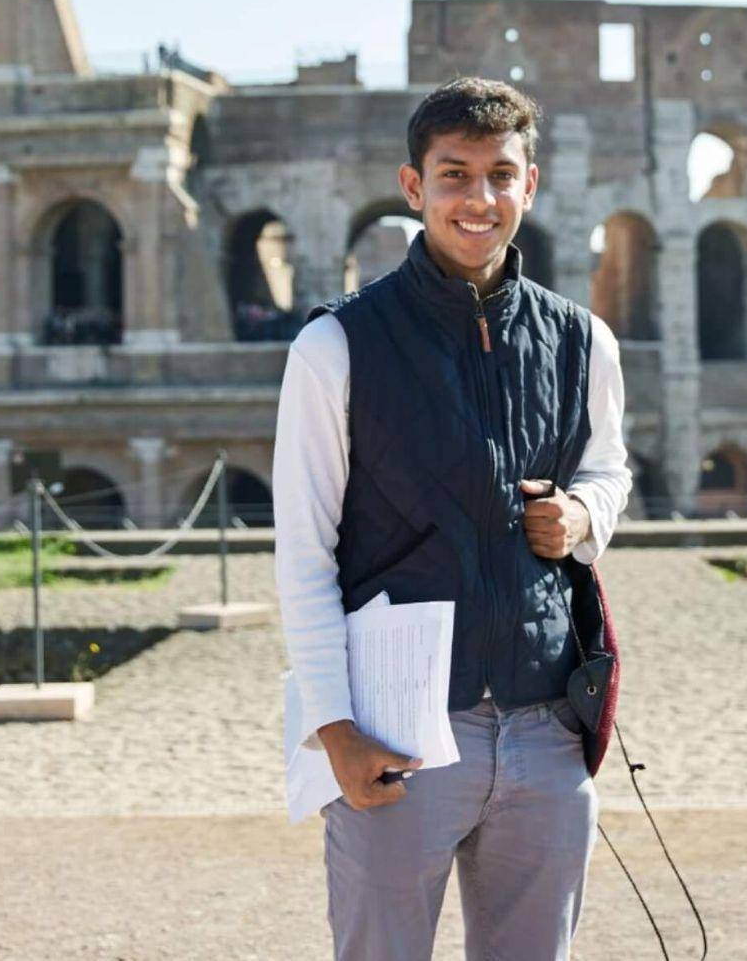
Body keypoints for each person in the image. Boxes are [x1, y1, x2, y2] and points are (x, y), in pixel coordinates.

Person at [273, 76, 633, 960]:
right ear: (413, 187)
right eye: (454, 175)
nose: (480, 199)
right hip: (396, 730)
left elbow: (609, 467)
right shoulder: (335, 346)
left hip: (546, 719)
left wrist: (582, 514)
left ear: (530, 185)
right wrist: (335, 730)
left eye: (499, 176)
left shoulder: (584, 340)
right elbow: (304, 553)